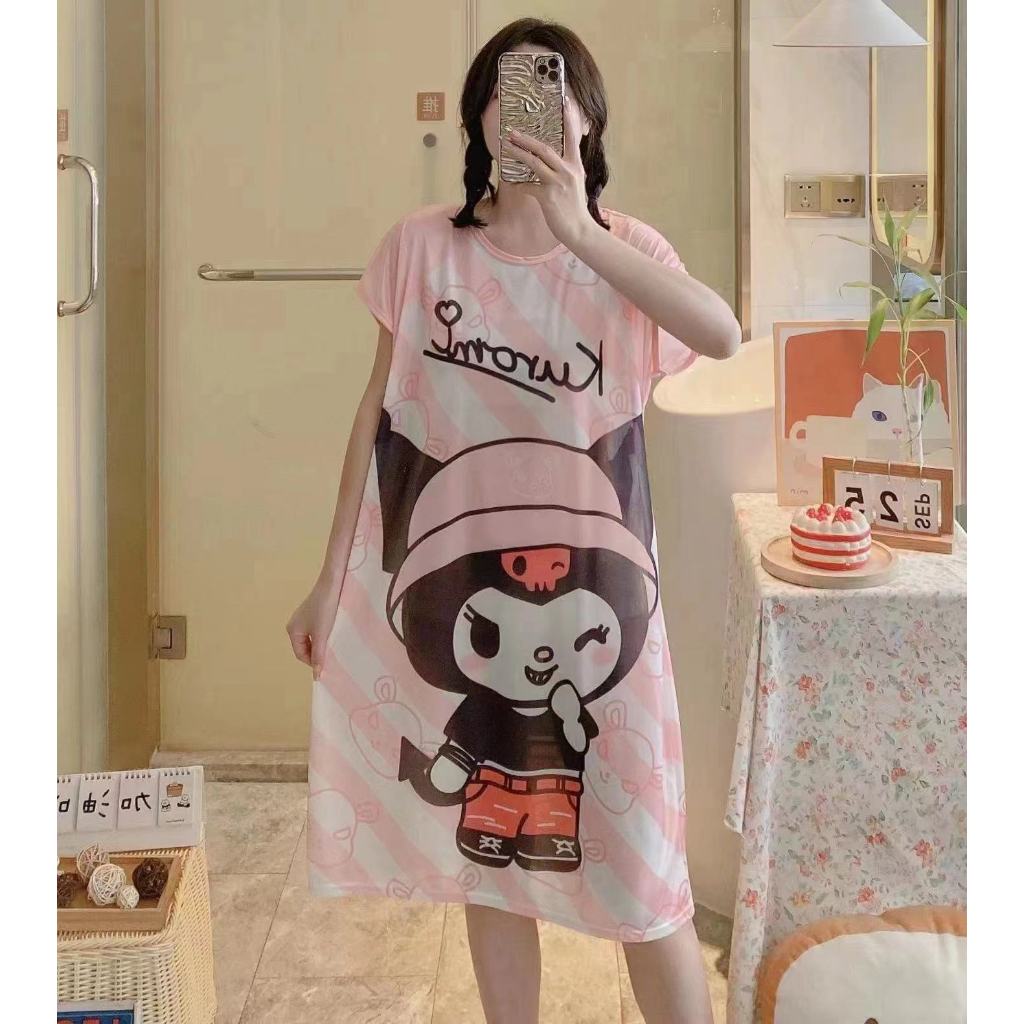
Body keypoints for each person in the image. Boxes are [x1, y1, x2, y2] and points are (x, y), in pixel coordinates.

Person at [287, 17, 740, 1024]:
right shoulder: (420, 249)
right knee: (487, 865)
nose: (526, 110)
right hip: (467, 603)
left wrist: (582, 233)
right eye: (505, 89)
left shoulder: (628, 254)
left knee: (644, 876)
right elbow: (375, 417)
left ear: (587, 120)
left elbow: (721, 334)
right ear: (477, 118)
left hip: (603, 618)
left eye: (551, 89)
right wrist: (327, 580)